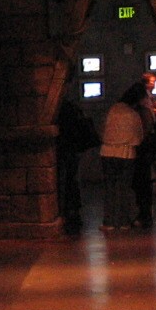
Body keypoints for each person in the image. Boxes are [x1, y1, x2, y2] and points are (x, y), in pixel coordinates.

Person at [100, 83, 147, 230]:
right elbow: (139, 137)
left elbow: (104, 130)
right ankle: (124, 221)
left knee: (110, 188)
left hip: (107, 152)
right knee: (124, 188)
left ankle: (109, 222)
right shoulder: (133, 114)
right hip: (126, 153)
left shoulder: (113, 109)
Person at [55, 90, 100, 235]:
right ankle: (73, 210)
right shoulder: (73, 109)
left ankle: (67, 211)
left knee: (66, 181)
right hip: (72, 149)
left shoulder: (60, 111)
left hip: (63, 149)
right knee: (71, 181)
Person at [133, 73, 156, 226]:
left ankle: (144, 213)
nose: (154, 84)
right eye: (152, 82)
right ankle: (144, 213)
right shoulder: (142, 102)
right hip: (143, 143)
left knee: (143, 180)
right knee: (143, 180)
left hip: (144, 142)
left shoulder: (147, 99)